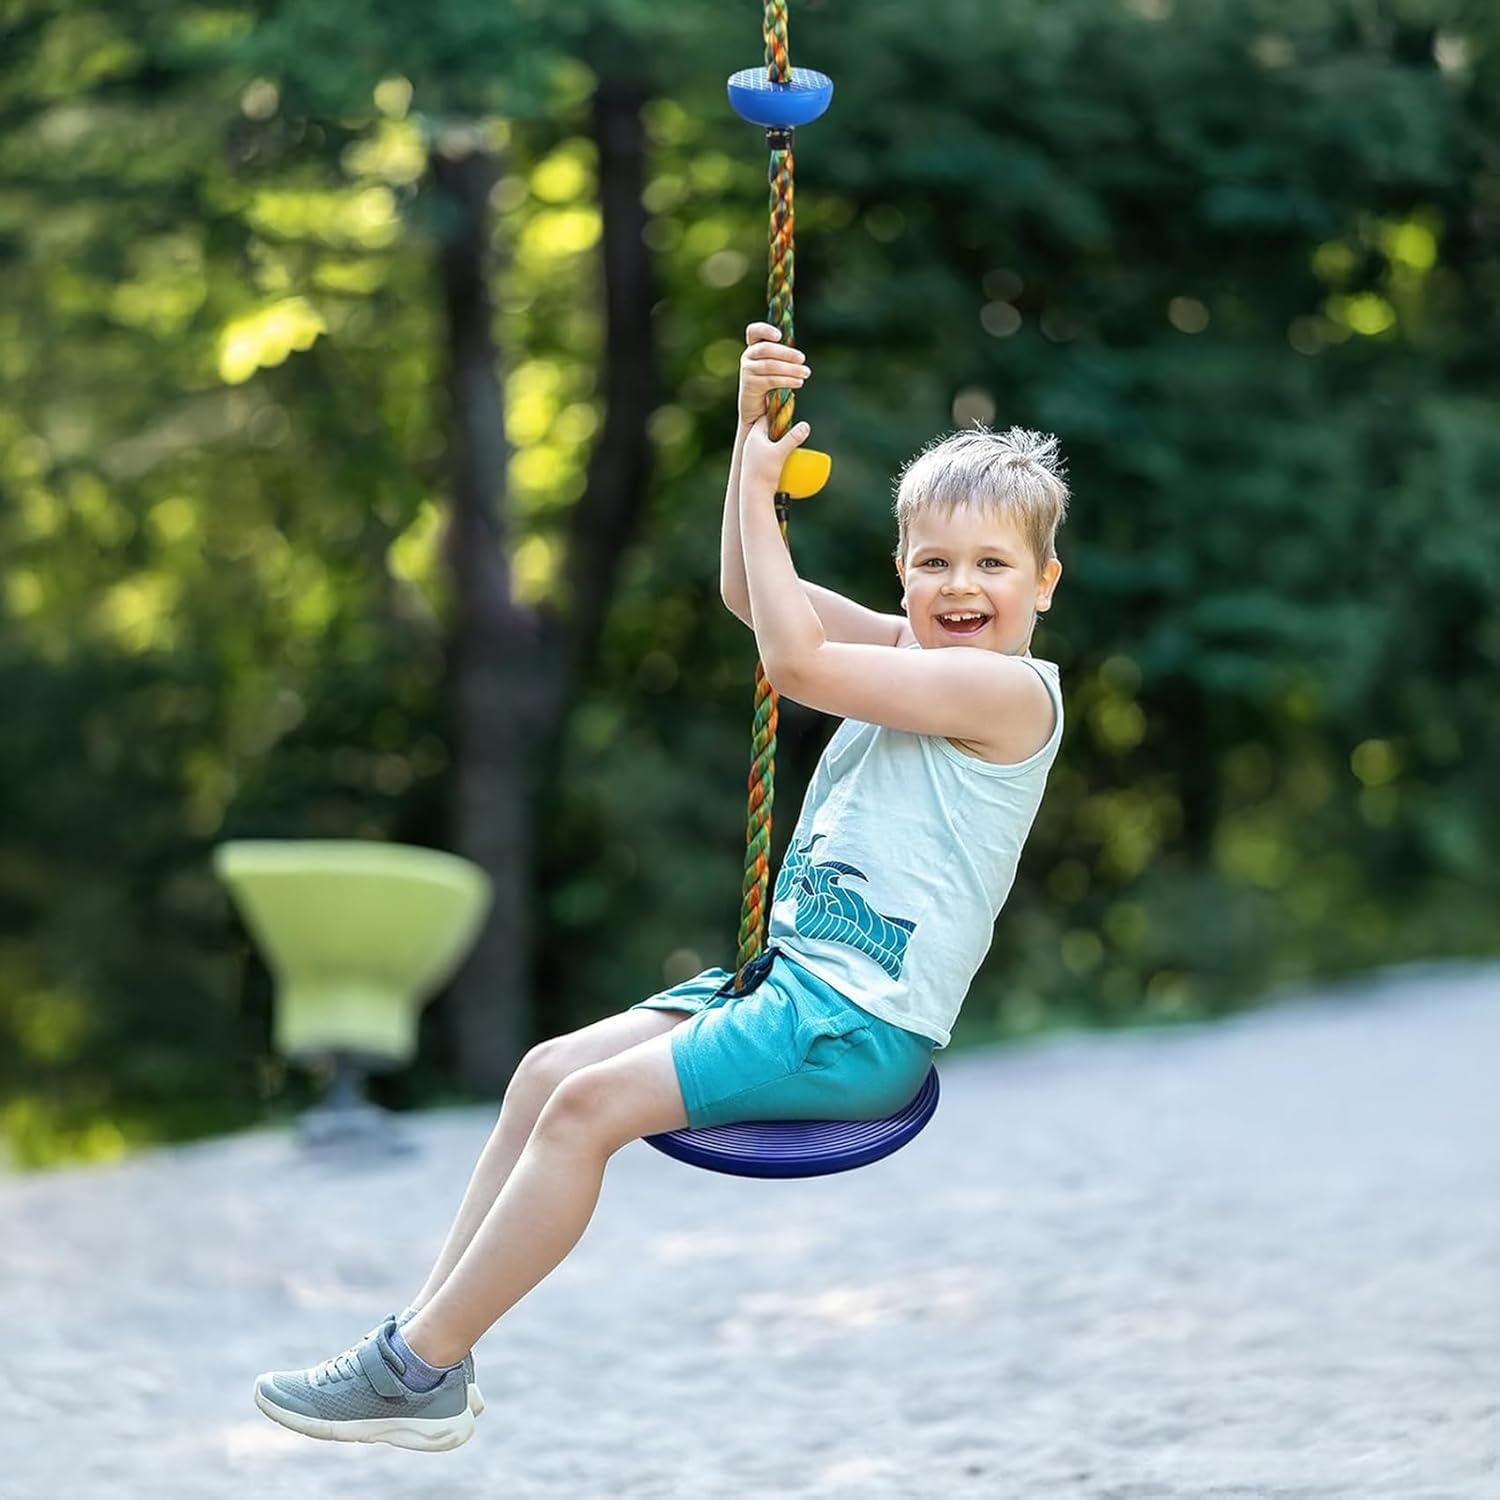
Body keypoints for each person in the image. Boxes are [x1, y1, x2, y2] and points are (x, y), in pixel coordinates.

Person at [251, 320, 1069, 1452]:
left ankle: (412, 1367)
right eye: (934, 561)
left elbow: (793, 663)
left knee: (590, 1112)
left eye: (991, 564)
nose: (959, 585)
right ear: (902, 573)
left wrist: (761, 481)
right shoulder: (912, 651)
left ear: (1044, 583)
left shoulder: (1011, 695)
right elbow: (751, 596)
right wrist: (746, 441)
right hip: (781, 985)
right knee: (547, 1076)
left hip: (851, 1023)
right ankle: (431, 1346)